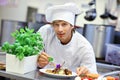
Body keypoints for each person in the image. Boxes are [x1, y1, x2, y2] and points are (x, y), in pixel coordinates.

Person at [37, 2, 97, 75]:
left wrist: (86, 72)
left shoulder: (84, 47)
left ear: (72, 26)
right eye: (56, 25)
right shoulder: (45, 32)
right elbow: (32, 60)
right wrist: (38, 62)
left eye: (64, 24)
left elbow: (93, 74)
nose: (60, 29)